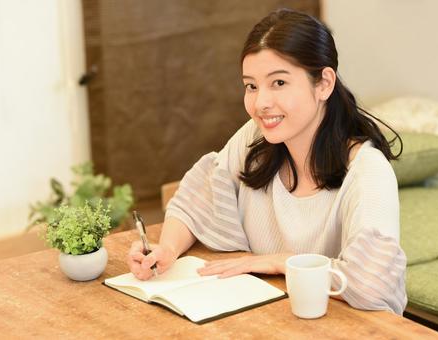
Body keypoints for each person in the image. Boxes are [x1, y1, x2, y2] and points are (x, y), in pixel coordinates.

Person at [126, 8, 407, 314]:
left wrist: (280, 261)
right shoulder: (255, 139)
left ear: (324, 83)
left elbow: (371, 285)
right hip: (260, 314)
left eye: (279, 83)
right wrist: (166, 249)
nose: (260, 104)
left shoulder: (367, 172)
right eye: (251, 86)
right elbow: (197, 201)